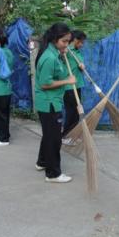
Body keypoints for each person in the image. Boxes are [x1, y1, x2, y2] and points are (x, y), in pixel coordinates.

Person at [35, 23, 75, 183]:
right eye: (64, 41)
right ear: (55, 39)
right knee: (54, 139)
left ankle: (42, 162)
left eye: (68, 42)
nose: (66, 45)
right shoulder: (49, 58)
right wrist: (68, 81)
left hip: (51, 102)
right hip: (49, 103)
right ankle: (53, 173)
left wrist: (62, 52)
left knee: (49, 135)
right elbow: (45, 83)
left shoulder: (54, 53)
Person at [61, 30, 86, 145]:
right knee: (71, 113)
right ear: (75, 40)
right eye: (80, 42)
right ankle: (65, 136)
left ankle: (73, 135)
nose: (82, 44)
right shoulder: (66, 50)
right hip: (69, 87)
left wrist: (82, 66)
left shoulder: (78, 52)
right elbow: (58, 60)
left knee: (76, 113)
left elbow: (81, 67)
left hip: (78, 85)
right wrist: (63, 53)